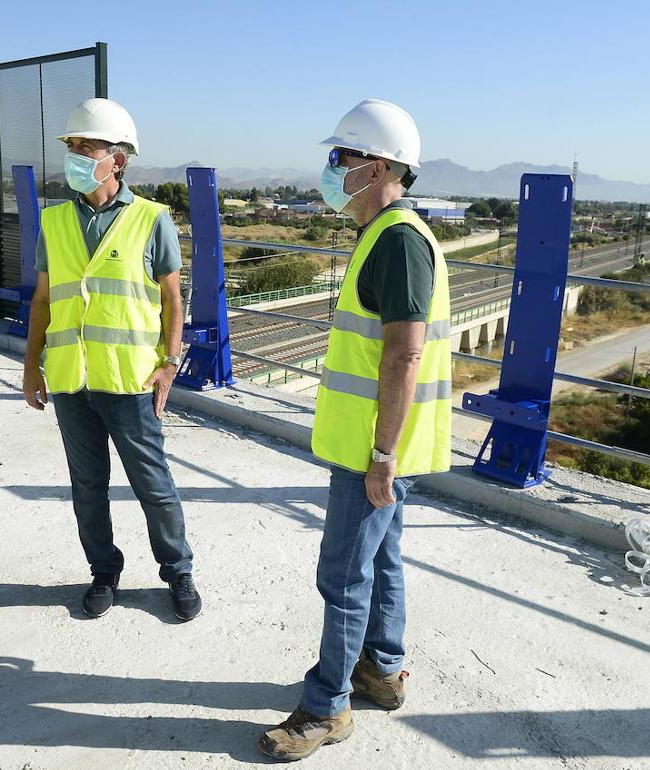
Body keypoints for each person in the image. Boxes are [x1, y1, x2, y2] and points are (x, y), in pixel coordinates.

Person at [259, 99, 452, 761]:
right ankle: (383, 670)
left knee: (343, 576)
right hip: (382, 444)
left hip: (373, 448)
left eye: (340, 157)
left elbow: (404, 354)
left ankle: (325, 707)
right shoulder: (387, 234)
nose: (329, 168)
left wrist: (380, 455)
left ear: (376, 166)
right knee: (384, 558)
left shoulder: (398, 241)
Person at [22, 98, 201, 622]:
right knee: (87, 486)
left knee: (154, 485)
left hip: (129, 381)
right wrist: (32, 365)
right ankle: (104, 572)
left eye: (86, 147)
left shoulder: (151, 220)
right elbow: (41, 301)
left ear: (117, 159)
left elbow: (173, 297)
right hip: (72, 382)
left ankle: (178, 570)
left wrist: (170, 360)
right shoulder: (53, 221)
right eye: (71, 147)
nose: (75, 156)